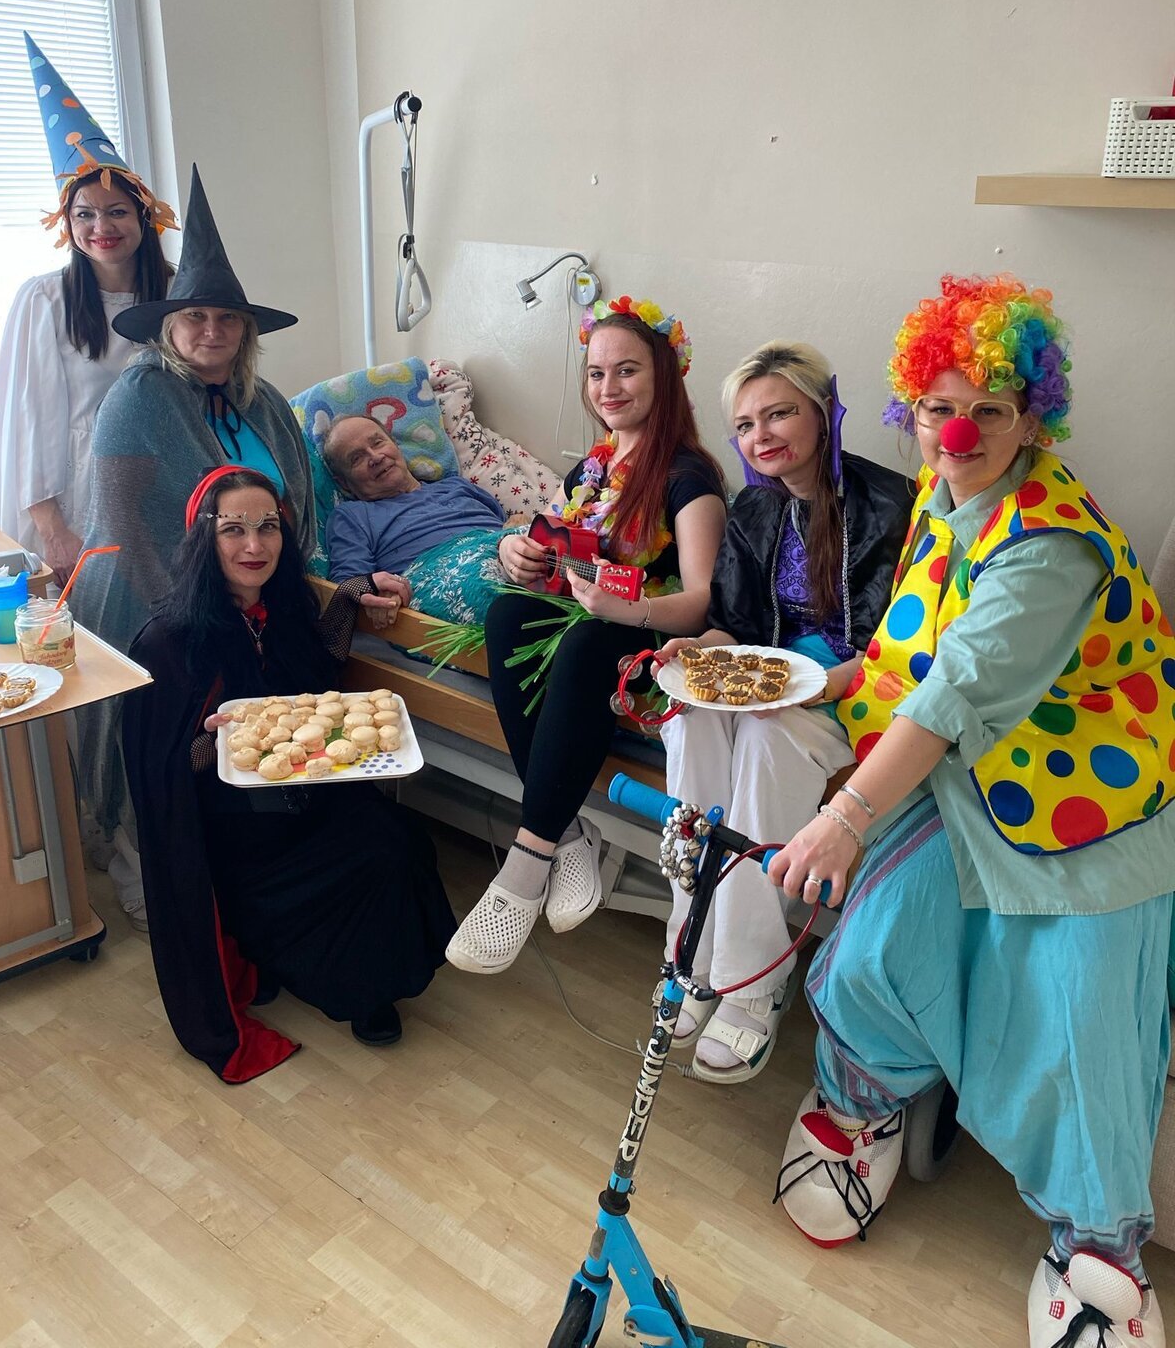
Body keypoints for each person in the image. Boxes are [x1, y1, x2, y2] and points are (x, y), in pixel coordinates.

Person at [766, 276, 1175, 1348]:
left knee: (1085, 1005)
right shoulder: (943, 497)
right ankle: (866, 1104)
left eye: (989, 409)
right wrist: (804, 680)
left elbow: (957, 693)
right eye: (939, 408)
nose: (958, 433)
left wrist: (845, 816)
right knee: (870, 946)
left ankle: (1099, 1244)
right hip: (963, 775)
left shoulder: (1053, 543)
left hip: (1089, 790)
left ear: (1034, 419)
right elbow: (913, 655)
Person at [122, 466, 455, 1081]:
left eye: (268, 527)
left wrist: (350, 595)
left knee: (396, 839)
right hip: (235, 830)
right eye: (234, 529)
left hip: (309, 794)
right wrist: (212, 742)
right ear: (205, 539)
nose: (254, 545)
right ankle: (331, 979)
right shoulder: (168, 640)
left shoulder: (284, 605)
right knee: (361, 859)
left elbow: (317, 670)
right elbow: (158, 774)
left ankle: (372, 980)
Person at [651, 342, 912, 1084]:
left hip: (854, 691)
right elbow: (732, 627)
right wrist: (696, 651)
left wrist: (825, 685)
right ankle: (691, 947)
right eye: (745, 424)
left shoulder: (894, 502)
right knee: (690, 716)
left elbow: (904, 644)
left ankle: (752, 980)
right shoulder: (753, 506)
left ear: (824, 412)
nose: (760, 436)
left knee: (770, 737)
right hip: (773, 681)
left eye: (779, 414)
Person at [445, 295, 728, 975]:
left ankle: (526, 863)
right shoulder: (592, 470)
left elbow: (702, 604)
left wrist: (626, 611)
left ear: (664, 376)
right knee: (507, 615)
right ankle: (568, 832)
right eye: (597, 373)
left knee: (586, 644)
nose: (609, 388)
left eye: (627, 371)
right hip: (594, 619)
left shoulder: (689, 477)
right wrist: (519, 552)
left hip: (653, 637)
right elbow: (554, 543)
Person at [71, 165, 317, 929]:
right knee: (158, 736)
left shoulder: (263, 401)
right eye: (196, 317)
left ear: (246, 331)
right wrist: (183, 618)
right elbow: (124, 518)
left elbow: (297, 499)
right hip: (149, 601)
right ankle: (137, 860)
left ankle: (237, 856)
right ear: (169, 327)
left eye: (227, 319)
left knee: (230, 739)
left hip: (247, 594)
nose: (212, 331)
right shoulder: (142, 395)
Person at [0, 34, 176, 578]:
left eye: (116, 211)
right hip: (76, 498)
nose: (100, 227)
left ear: (144, 218)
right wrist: (53, 529)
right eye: (85, 214)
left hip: (165, 486)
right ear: (67, 224)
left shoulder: (177, 292)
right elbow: (32, 421)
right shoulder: (46, 300)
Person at [323, 412, 511, 626]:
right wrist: (379, 590)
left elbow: (509, 527)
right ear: (344, 483)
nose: (375, 457)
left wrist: (518, 525)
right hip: (452, 582)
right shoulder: (351, 516)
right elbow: (347, 588)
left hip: (510, 558)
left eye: (377, 442)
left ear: (395, 445)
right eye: (356, 458)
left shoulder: (457, 485)